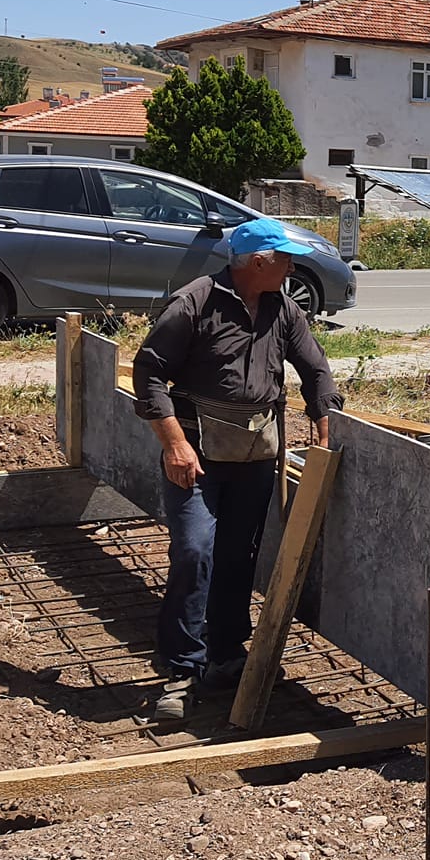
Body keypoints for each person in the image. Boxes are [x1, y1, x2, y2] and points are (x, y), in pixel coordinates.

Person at [133, 219, 343, 721]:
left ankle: (225, 654)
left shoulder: (282, 308)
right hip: (197, 456)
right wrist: (174, 444)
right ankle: (182, 668)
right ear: (258, 261)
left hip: (253, 456)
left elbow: (313, 366)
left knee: (237, 557)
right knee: (193, 550)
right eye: (285, 258)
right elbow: (149, 372)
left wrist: (322, 414)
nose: (293, 266)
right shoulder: (195, 303)